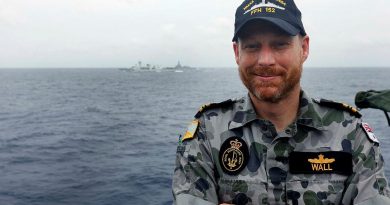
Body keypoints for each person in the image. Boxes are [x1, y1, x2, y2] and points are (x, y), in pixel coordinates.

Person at [172, 0, 390, 204]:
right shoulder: (207, 133)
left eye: (280, 45)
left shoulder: (351, 134)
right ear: (237, 52)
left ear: (304, 48)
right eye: (252, 46)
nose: (265, 60)